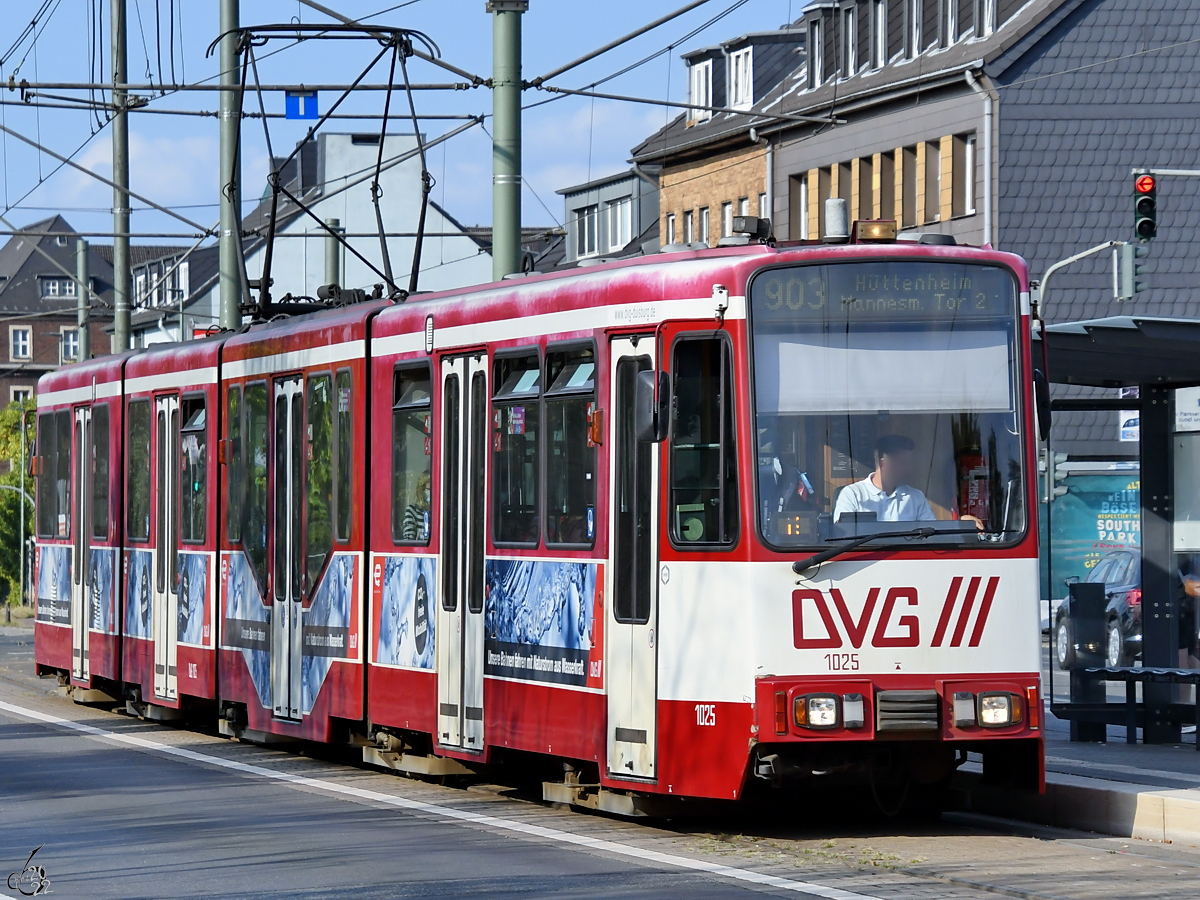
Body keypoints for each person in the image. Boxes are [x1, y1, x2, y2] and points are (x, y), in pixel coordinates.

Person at [833, 434, 936, 523]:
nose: (907, 469)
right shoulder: (852, 494)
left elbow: (932, 535)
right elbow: (843, 535)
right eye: (903, 463)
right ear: (884, 464)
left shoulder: (916, 497)